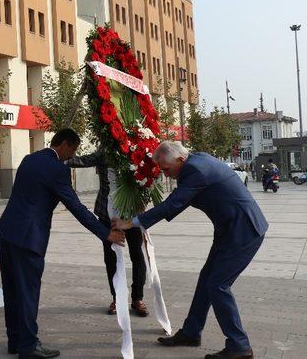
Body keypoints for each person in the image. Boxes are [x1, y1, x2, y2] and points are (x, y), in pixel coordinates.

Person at [113, 141, 268, 359]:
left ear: (180, 160)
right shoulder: (195, 161)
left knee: (218, 285)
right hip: (230, 230)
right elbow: (178, 202)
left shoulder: (195, 170)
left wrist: (132, 222)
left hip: (243, 231)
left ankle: (239, 346)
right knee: (207, 280)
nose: (166, 175)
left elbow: (173, 203)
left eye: (166, 169)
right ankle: (191, 332)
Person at [0, 128, 126, 359]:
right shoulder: (57, 169)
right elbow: (76, 207)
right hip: (29, 237)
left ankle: (15, 340)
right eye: (72, 150)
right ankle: (28, 346)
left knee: (13, 290)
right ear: (64, 144)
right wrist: (105, 233)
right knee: (27, 292)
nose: (70, 157)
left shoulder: (30, 158)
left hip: (7, 232)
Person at [66, 151, 148, 317]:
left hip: (131, 213)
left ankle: (137, 298)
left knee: (137, 256)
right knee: (111, 258)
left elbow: (147, 178)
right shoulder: (105, 152)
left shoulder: (137, 149)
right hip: (107, 214)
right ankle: (116, 297)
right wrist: (55, 155)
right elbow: (80, 161)